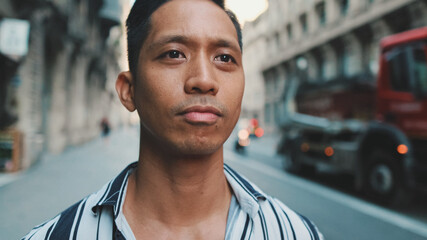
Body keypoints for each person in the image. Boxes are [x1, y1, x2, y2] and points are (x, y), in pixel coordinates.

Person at [23, 0, 323, 239]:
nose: (204, 80)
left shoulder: (297, 233)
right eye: (175, 53)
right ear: (129, 91)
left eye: (224, 58)